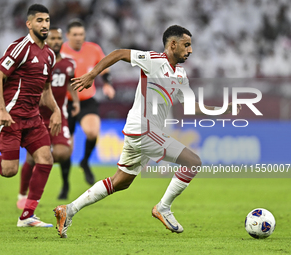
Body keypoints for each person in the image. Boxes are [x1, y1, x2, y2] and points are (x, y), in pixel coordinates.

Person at [53, 25, 242, 238]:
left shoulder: (180, 74)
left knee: (120, 182)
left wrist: (223, 109)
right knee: (193, 162)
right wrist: (92, 74)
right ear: (173, 44)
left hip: (143, 133)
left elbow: (192, 106)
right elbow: (118, 54)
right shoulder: (154, 60)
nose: (190, 51)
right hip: (143, 130)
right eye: (186, 45)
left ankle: (68, 210)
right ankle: (163, 207)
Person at [0, 4, 62, 227]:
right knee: (9, 171)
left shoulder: (49, 56)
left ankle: (27, 216)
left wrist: (56, 111)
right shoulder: (21, 47)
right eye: (39, 21)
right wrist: (2, 110)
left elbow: (46, 91)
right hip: (12, 117)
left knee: (45, 159)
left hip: (33, 119)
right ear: (29, 24)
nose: (44, 24)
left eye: (47, 20)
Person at [16, 27, 80, 209]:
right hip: (36, 116)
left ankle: (42, 162)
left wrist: (75, 101)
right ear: (46, 40)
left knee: (62, 153)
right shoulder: (37, 61)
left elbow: (71, 83)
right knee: (30, 159)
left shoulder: (69, 63)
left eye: (59, 38)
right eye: (53, 38)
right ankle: (22, 194)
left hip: (60, 115)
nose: (57, 41)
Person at [59, 19, 115, 188]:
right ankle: (65, 183)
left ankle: (84, 162)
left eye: (81, 34)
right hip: (66, 102)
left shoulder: (93, 49)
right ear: (68, 35)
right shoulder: (60, 50)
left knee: (92, 132)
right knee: (66, 149)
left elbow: (105, 66)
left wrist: (107, 83)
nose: (78, 37)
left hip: (87, 100)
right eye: (75, 34)